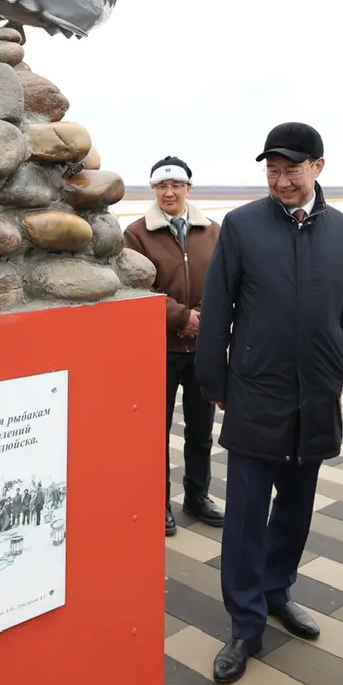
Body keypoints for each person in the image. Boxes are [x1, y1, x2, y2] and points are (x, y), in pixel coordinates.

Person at [196, 122, 343, 684]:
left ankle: (276, 593)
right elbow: (217, 308)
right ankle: (245, 623)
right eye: (271, 168)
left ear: (318, 167)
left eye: (291, 168)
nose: (280, 178)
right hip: (256, 395)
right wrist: (215, 381)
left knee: (294, 511)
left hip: (315, 399)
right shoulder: (242, 226)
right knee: (244, 518)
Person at [124, 155, 224, 537]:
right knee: (155, 432)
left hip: (202, 348)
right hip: (159, 350)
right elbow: (136, 288)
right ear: (153, 190)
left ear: (188, 188)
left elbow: (224, 281)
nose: (169, 192)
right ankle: (158, 502)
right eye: (161, 186)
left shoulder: (213, 231)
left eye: (176, 185)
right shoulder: (136, 234)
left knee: (201, 430)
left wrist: (203, 316)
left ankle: (197, 496)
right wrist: (182, 317)